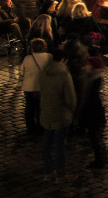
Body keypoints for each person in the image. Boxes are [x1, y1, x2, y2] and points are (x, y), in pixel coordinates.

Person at [39, 48, 77, 182]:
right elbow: (70, 98)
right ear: (63, 60)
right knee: (60, 145)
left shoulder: (43, 72)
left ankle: (47, 172)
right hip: (60, 114)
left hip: (46, 112)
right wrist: (73, 111)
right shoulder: (64, 74)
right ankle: (61, 174)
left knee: (47, 144)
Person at [75, 48, 108, 169]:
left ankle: (100, 160)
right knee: (96, 137)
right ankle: (101, 158)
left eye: (87, 64)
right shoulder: (91, 78)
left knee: (95, 138)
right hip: (94, 113)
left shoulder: (93, 80)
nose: (85, 67)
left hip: (93, 114)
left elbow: (89, 99)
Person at [21, 38, 52, 134]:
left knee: (30, 107)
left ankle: (31, 127)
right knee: (42, 106)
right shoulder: (49, 57)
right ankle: (42, 125)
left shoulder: (27, 59)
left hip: (29, 86)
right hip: (43, 86)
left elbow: (22, 71)